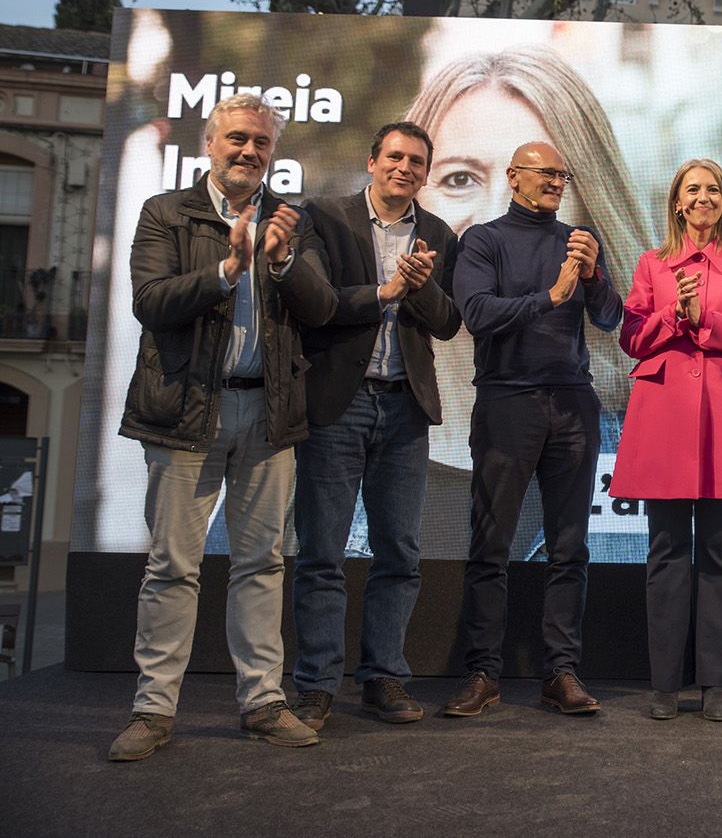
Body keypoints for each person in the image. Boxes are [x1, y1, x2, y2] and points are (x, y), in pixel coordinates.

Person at [107, 93, 336, 761]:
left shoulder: (292, 220)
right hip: (186, 410)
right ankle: (153, 711)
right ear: (210, 144)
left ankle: (262, 703)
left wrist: (282, 260)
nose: (248, 152)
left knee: (261, 564)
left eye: (261, 143)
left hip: (269, 413)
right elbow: (152, 303)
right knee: (171, 567)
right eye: (237, 139)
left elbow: (320, 309)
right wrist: (229, 268)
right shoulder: (167, 213)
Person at [405, 45, 652, 560]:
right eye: (458, 179)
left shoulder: (654, 443)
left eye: (543, 183)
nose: (501, 217)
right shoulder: (332, 444)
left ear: (593, 209)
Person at [289, 122, 462, 731]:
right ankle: (314, 685)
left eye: (417, 162)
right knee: (322, 555)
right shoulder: (325, 217)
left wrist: (417, 291)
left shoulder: (438, 233)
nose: (405, 168)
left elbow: (446, 323)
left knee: (400, 553)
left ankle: (384, 677)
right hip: (339, 402)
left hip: (405, 408)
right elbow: (315, 301)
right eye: (395, 157)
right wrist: (385, 290)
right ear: (372, 161)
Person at [442, 140, 622, 718]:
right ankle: (483, 674)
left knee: (569, 547)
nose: (556, 182)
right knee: (491, 544)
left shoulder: (575, 240)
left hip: (572, 404)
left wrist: (592, 277)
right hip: (507, 403)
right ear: (516, 176)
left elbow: (611, 318)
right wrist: (548, 298)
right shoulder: (484, 240)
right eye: (546, 173)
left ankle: (561, 673)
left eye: (562, 174)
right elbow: (476, 314)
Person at [611, 159, 722, 722]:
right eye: (693, 190)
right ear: (677, 202)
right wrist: (673, 316)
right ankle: (662, 685)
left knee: (719, 553)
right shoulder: (651, 264)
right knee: (666, 552)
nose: (703, 198)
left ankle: (716, 684)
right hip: (663, 419)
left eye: (712, 190)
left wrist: (706, 318)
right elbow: (631, 336)